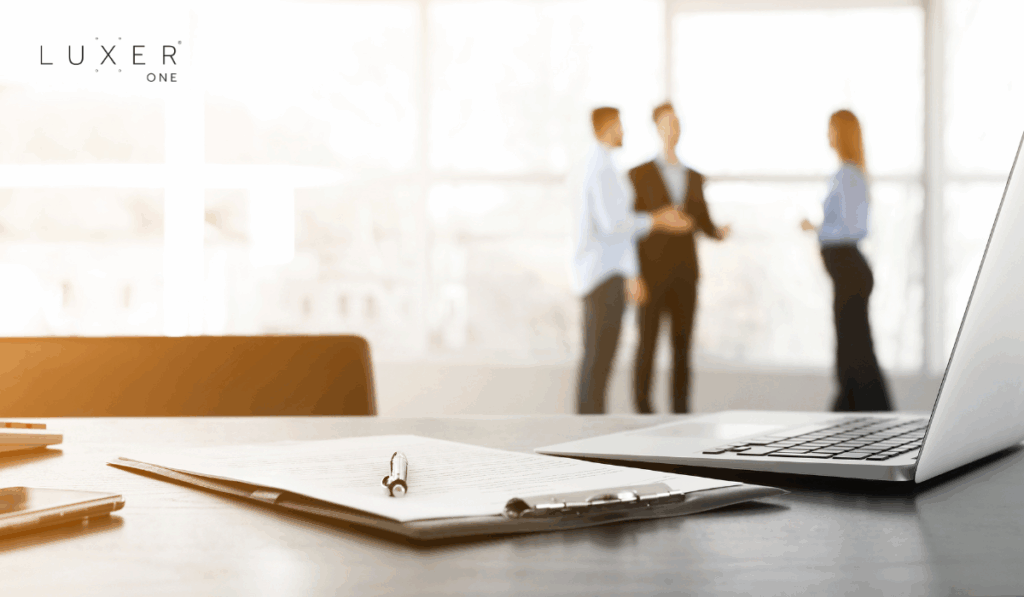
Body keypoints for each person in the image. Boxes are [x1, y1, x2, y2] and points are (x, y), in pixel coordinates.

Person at [572, 107, 692, 414]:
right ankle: (587, 435)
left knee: (597, 361)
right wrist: (657, 220)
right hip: (603, 274)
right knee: (599, 360)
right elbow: (614, 225)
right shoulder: (601, 169)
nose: (624, 132)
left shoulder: (599, 165)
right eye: (621, 126)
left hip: (601, 272)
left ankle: (588, 428)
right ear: (609, 126)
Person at [629, 102, 730, 414]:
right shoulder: (638, 175)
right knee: (647, 344)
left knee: (682, 347)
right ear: (656, 128)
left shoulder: (695, 177)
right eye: (667, 123)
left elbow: (703, 222)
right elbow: (629, 226)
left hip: (685, 274)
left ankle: (681, 410)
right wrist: (632, 275)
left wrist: (719, 231)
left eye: (677, 123)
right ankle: (643, 410)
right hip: (650, 273)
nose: (674, 129)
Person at [800, 109, 892, 412]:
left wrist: (817, 229)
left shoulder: (848, 175)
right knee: (854, 349)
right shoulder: (845, 173)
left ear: (842, 133)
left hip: (851, 271)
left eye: (831, 129)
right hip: (847, 274)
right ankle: (856, 411)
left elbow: (854, 228)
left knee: (854, 351)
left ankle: (856, 413)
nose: (827, 135)